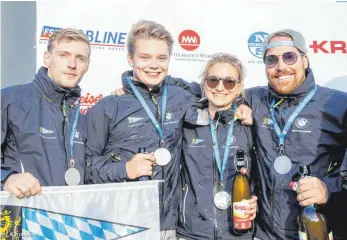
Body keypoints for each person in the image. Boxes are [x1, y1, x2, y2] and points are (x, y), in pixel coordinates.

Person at [85, 20, 197, 240]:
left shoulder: (180, 97)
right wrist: (125, 169)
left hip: (171, 228)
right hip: (123, 227)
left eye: (161, 58)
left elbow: (216, 92)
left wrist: (241, 105)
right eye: (145, 58)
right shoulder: (107, 106)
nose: (154, 65)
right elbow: (85, 169)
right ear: (130, 59)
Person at [237, 29, 347, 240]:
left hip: (317, 230)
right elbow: (208, 91)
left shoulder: (338, 104)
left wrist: (329, 188)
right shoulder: (254, 98)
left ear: (305, 60)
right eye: (272, 60)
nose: (281, 67)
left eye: (289, 57)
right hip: (264, 234)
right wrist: (239, 106)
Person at [176, 53, 257, 240]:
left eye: (229, 82)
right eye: (213, 81)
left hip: (239, 231)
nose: (220, 87)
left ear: (239, 88)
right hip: (192, 233)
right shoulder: (187, 123)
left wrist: (257, 201)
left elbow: (264, 175)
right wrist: (127, 87)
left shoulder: (250, 125)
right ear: (204, 84)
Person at [1, 28, 90, 197]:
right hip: (21, 216)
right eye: (63, 55)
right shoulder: (9, 99)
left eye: (80, 58)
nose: (72, 64)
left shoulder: (84, 115)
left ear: (87, 66)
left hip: (72, 219)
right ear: (47, 58)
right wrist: (7, 179)